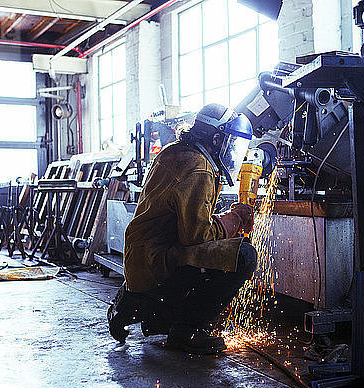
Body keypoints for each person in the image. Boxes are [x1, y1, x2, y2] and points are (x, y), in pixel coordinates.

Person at [107, 103, 258, 354]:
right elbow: (196, 237)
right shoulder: (199, 167)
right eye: (229, 143)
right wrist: (233, 220)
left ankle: (130, 303)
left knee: (215, 251)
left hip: (140, 259)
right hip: (159, 263)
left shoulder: (174, 152)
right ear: (217, 138)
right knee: (243, 255)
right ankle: (187, 330)